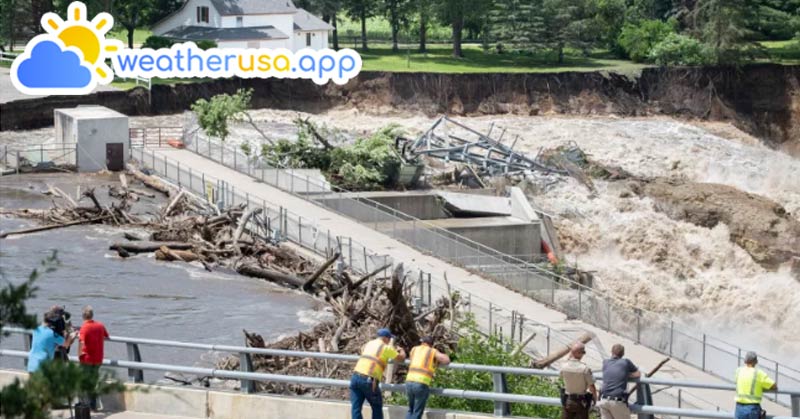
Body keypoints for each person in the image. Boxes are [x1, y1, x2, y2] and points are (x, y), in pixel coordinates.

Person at [350, 328, 406, 419]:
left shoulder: (369, 343)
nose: (389, 341)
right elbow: (401, 358)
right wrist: (401, 350)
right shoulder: (386, 347)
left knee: (356, 407)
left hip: (356, 376)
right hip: (369, 380)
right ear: (386, 338)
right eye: (389, 339)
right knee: (376, 407)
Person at [404, 336, 451, 419]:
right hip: (421, 383)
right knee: (417, 411)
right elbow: (446, 360)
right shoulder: (432, 351)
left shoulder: (414, 349)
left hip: (409, 381)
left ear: (422, 342)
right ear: (431, 344)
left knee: (411, 410)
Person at [78, 306, 109, 410]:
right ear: (92, 315)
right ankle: (93, 405)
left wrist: (80, 356)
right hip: (98, 359)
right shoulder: (100, 325)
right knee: (93, 381)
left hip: (87, 359)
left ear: (83, 316)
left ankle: (84, 407)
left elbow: (81, 341)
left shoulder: (84, 327)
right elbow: (107, 335)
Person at [598, 344, 640, 419]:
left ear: (611, 352)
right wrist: (627, 374)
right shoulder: (626, 362)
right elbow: (638, 374)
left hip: (603, 400)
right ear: (623, 354)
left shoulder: (605, 362)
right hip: (617, 402)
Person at [559, 342, 598, 419]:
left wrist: (571, 355)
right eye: (583, 352)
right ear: (580, 353)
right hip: (581, 401)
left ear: (571, 352)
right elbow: (592, 387)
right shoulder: (585, 369)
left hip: (568, 400)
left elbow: (560, 375)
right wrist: (595, 399)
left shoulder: (564, 366)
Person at [734, 351, 777, 419]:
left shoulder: (738, 371)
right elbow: (774, 385)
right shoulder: (758, 373)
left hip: (739, 407)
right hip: (752, 408)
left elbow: (737, 381)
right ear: (756, 361)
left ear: (745, 361)